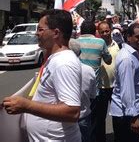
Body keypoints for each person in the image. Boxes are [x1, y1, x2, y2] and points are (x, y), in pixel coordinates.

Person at [2, 9, 82, 141]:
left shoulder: (64, 63)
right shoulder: (54, 58)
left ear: (56, 33)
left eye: (40, 29)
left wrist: (27, 106)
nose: (36, 33)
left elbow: (72, 112)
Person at [110, 23, 139, 142]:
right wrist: (134, 116)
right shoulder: (127, 58)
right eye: (138, 37)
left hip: (128, 112)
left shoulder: (132, 54)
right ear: (129, 37)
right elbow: (127, 90)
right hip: (126, 114)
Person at [77, 20, 112, 142]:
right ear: (94, 31)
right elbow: (108, 60)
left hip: (76, 88)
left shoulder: (74, 43)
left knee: (80, 119)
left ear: (81, 31)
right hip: (94, 90)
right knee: (93, 119)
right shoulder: (100, 42)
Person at [96, 21, 120, 142]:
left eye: (107, 31)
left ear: (110, 30)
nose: (105, 33)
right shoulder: (97, 47)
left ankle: (118, 137)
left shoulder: (118, 45)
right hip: (100, 87)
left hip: (115, 87)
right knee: (100, 117)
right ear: (98, 33)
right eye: (102, 32)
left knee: (117, 116)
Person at [69, 38, 97, 142]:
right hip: (83, 116)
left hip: (64, 118)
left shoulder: (57, 69)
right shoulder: (89, 70)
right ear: (80, 53)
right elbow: (92, 95)